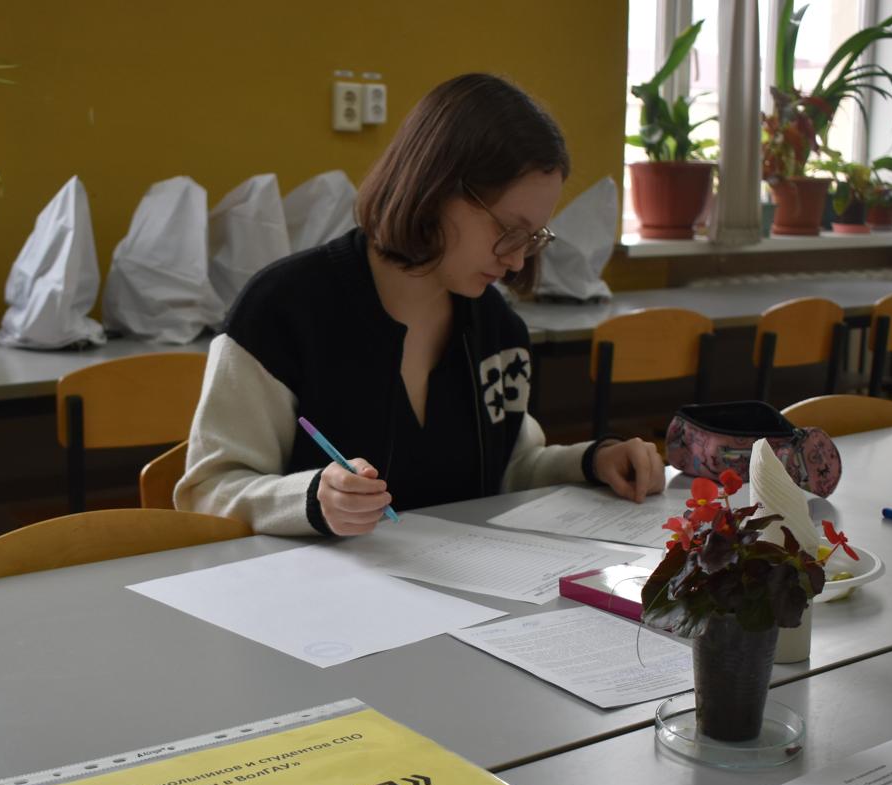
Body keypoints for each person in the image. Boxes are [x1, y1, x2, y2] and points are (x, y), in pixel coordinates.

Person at [176, 73, 665, 536]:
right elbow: (208, 490)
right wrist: (311, 498)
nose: (517, 260)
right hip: (306, 589)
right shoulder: (283, 311)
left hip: (458, 584)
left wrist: (593, 461)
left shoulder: (496, 328)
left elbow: (510, 467)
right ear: (436, 189)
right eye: (507, 230)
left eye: (533, 236)